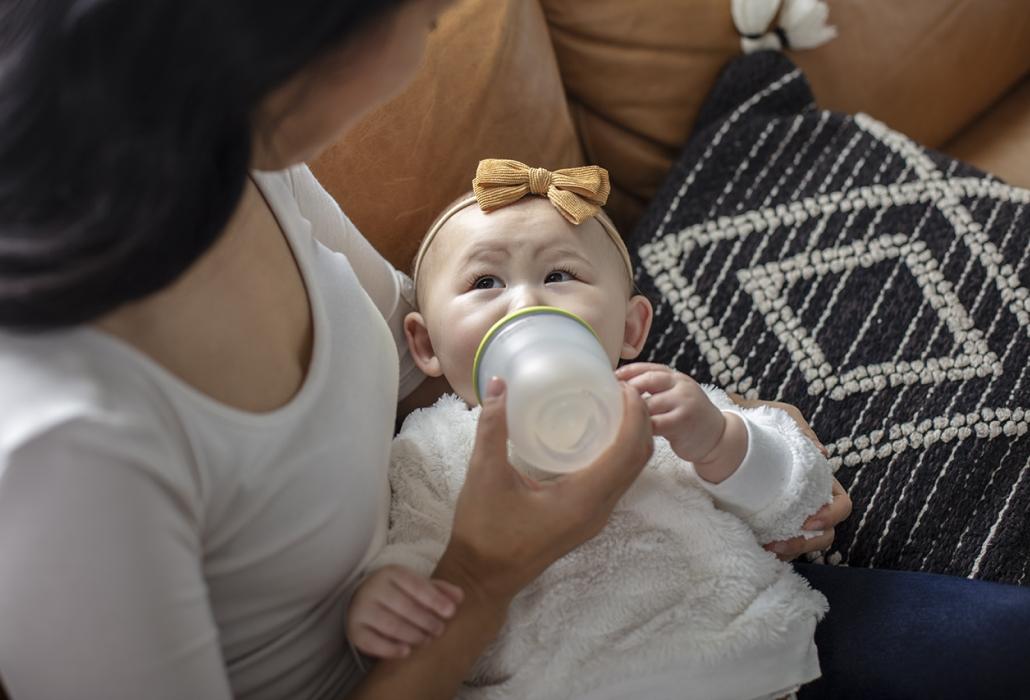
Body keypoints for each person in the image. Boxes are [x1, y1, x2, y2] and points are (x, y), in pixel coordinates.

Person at [0, 2, 849, 699]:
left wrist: (735, 437)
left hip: (736, 638)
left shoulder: (245, 158)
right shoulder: (64, 447)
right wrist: (480, 575)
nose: (423, 48)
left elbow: (435, 340)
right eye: (425, 17)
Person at [345, 159, 835, 700]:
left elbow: (795, 506)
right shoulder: (428, 450)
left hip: (743, 659)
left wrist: (719, 441)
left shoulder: (663, 403)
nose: (526, 304)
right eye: (485, 282)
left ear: (630, 327)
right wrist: (389, 592)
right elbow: (417, 552)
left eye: (559, 275)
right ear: (424, 344)